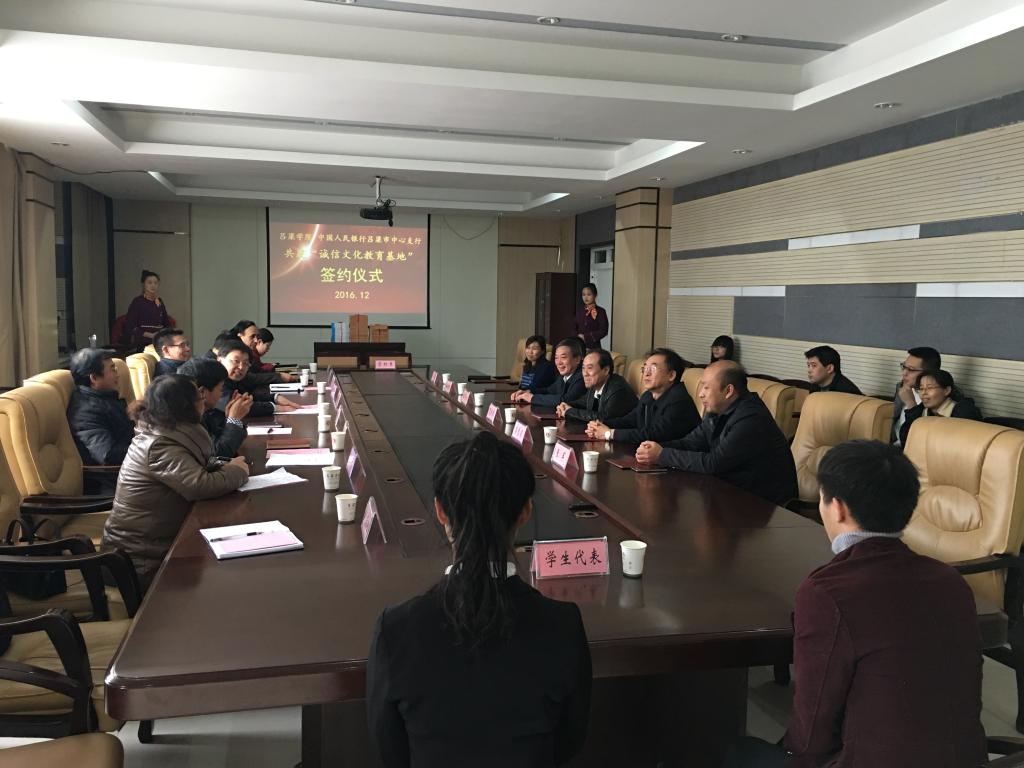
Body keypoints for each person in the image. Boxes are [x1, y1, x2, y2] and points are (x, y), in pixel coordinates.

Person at [724, 440, 985, 768]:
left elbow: (812, 731)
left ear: (837, 508)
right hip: (965, 760)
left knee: (737, 752)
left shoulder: (829, 591)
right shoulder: (951, 581)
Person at [366, 431, 591, 767]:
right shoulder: (563, 624)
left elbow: (390, 750)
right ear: (525, 512)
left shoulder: (396, 629)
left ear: (440, 511)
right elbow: (569, 739)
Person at [101, 375, 249, 591]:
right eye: (199, 398)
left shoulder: (165, 430)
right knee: (230, 581)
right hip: (142, 561)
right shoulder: (159, 444)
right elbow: (199, 485)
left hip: (165, 542)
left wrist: (224, 465)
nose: (203, 401)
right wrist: (238, 471)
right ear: (187, 406)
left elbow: (197, 466)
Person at [635, 361, 797, 505]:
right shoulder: (719, 410)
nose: (700, 394)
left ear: (728, 390)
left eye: (706, 387)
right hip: (731, 494)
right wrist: (654, 448)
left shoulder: (751, 418)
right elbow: (690, 442)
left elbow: (714, 463)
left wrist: (662, 455)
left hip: (765, 506)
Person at [586, 348, 701, 444]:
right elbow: (630, 421)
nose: (646, 373)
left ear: (671, 375)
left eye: (653, 368)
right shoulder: (648, 395)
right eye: (645, 368)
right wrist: (600, 424)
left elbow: (654, 434)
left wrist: (609, 433)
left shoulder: (679, 401)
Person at [67, 349, 134, 494]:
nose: (117, 374)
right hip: (114, 483)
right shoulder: (86, 412)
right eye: (112, 369)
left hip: (131, 469)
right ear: (94, 378)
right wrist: (147, 448)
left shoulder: (104, 397)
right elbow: (108, 456)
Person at [178, 358, 252, 457]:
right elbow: (218, 454)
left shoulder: (204, 412)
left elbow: (220, 440)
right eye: (221, 388)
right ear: (202, 392)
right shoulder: (187, 419)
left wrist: (229, 419)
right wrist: (234, 419)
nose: (221, 394)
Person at [897, 369, 982, 446]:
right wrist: (912, 407)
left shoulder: (964, 412)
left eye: (929, 388)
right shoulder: (921, 410)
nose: (924, 393)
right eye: (921, 388)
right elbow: (906, 441)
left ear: (947, 390)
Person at [214, 339, 298, 417]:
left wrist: (275, 398)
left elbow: (251, 396)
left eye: (245, 363)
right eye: (236, 361)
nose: (241, 367)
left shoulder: (236, 379)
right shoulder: (215, 381)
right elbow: (238, 407)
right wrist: (275, 408)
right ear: (220, 360)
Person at [556, 349, 637, 423]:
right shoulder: (596, 385)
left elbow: (605, 418)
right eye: (583, 368)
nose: (585, 373)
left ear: (606, 370)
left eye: (590, 368)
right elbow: (582, 403)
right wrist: (565, 406)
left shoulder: (618, 389)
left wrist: (570, 411)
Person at [510, 338, 585, 408]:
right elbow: (548, 391)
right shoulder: (563, 377)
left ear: (577, 359)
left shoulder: (582, 377)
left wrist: (532, 398)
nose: (559, 362)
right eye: (556, 358)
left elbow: (566, 400)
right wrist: (529, 391)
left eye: (563, 357)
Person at [891, 346, 941, 446]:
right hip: (893, 441)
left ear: (928, 373)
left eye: (911, 369)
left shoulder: (940, 395)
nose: (904, 373)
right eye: (904, 366)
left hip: (911, 446)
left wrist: (911, 404)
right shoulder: (902, 386)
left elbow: (922, 437)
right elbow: (893, 415)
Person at [122, 270, 170, 351]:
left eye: (155, 283)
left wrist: (162, 334)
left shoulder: (159, 301)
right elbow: (130, 325)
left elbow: (166, 323)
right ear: (143, 284)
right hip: (142, 340)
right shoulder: (137, 302)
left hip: (158, 340)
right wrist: (150, 335)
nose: (153, 285)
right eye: (150, 283)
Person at [574, 282, 608, 350]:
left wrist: (586, 337)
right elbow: (573, 327)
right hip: (579, 346)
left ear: (595, 295)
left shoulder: (601, 311)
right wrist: (577, 336)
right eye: (583, 294)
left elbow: (604, 330)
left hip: (594, 347)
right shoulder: (580, 311)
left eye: (589, 294)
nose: (586, 297)